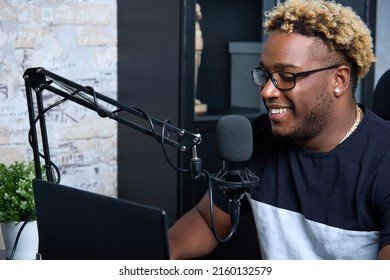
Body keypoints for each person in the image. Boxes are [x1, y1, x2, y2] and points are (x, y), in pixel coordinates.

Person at [168, 0, 390, 260]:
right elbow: (207, 220)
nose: (267, 91)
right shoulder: (259, 138)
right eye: (266, 75)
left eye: (287, 77)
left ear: (338, 80)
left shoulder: (383, 160)